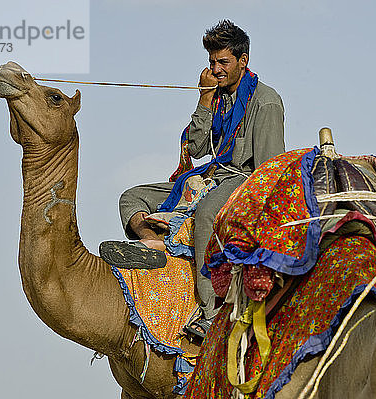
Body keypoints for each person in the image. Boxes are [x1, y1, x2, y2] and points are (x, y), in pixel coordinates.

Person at [115, 20, 285, 338]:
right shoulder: (216, 97)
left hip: (246, 179)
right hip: (210, 174)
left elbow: (269, 171)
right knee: (132, 197)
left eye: (223, 62)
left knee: (208, 213)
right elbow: (197, 148)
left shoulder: (266, 101)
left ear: (243, 61)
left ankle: (211, 313)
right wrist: (204, 101)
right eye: (211, 62)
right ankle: (151, 242)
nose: (216, 69)